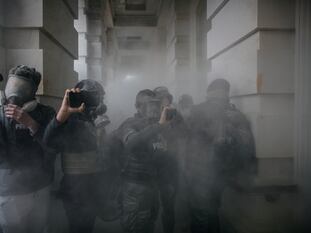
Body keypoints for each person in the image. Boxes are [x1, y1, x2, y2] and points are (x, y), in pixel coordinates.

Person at [186, 78, 256, 233]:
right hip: (220, 174)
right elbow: (247, 146)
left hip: (202, 174)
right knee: (210, 212)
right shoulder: (236, 115)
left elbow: (186, 140)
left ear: (209, 95)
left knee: (201, 215)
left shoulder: (198, 110)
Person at [43, 79, 107, 233]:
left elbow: (102, 153)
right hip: (75, 189)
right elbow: (48, 140)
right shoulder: (70, 120)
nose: (94, 102)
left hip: (92, 187)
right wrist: (60, 117)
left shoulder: (95, 120)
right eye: (88, 97)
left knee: (88, 226)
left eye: (96, 97)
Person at [0, 65, 55, 233]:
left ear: (33, 91)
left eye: (22, 87)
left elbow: (54, 146)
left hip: (41, 185)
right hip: (11, 189)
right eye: (12, 86)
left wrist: (30, 123)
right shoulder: (1, 114)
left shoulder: (46, 113)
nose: (15, 92)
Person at [117, 89, 177, 233]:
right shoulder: (130, 123)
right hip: (135, 188)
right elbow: (131, 143)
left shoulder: (159, 125)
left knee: (148, 226)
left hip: (152, 187)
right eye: (148, 104)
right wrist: (158, 126)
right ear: (137, 107)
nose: (152, 108)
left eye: (155, 104)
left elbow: (167, 153)